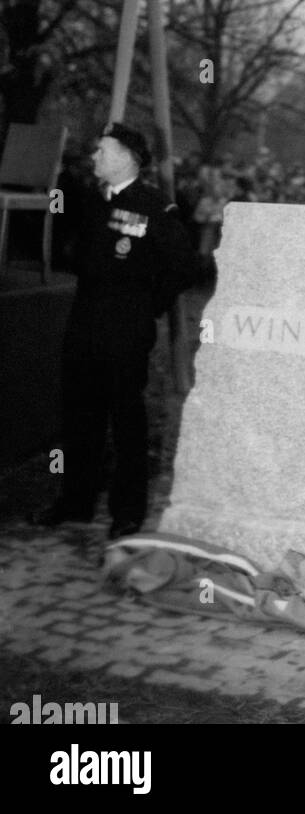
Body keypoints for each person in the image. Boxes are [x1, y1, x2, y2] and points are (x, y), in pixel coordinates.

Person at [33, 123, 204, 540]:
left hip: (125, 331)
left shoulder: (155, 206)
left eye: (102, 151)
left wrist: (147, 304)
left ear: (127, 157)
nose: (95, 158)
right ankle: (75, 501)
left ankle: (127, 512)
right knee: (78, 417)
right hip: (85, 324)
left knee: (126, 421)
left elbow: (185, 266)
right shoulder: (92, 201)